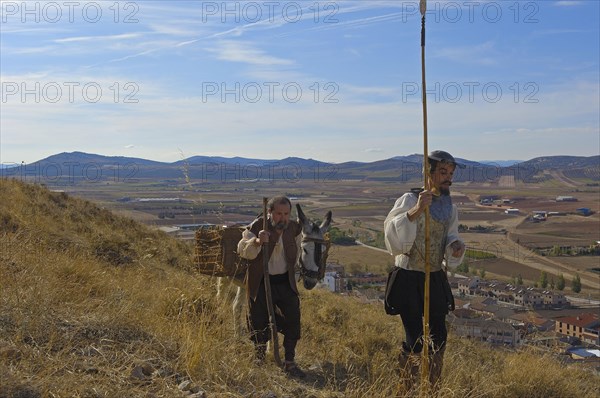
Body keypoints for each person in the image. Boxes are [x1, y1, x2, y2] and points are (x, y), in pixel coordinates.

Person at [383, 150, 466, 390]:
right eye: (442, 172)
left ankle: (432, 386)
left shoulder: (450, 206)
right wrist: (417, 210)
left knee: (439, 337)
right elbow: (391, 232)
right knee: (415, 337)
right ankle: (406, 386)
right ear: (428, 173)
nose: (447, 177)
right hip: (408, 276)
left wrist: (455, 246)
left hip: (434, 276)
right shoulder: (410, 199)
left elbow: (450, 236)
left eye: (450, 173)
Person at [237, 196, 306, 378]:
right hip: (260, 282)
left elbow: (296, 254)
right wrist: (257, 242)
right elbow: (242, 250)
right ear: (270, 212)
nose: (282, 218)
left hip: (285, 282)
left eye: (286, 214)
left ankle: (289, 361)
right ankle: (259, 359)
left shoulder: (295, 228)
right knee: (258, 321)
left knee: (293, 320)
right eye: (278, 214)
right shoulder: (258, 225)